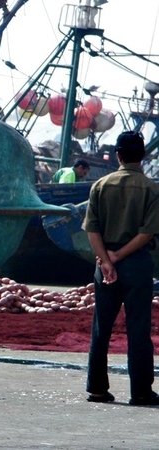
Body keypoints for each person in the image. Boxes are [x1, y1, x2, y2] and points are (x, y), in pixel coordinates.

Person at [83, 130, 159, 405]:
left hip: (104, 265)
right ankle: (140, 391)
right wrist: (118, 257)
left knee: (101, 327)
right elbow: (147, 234)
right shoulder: (152, 189)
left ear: (117, 155)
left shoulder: (100, 186)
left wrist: (105, 260)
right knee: (138, 328)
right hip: (136, 263)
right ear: (144, 155)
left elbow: (91, 229)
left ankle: (97, 389)